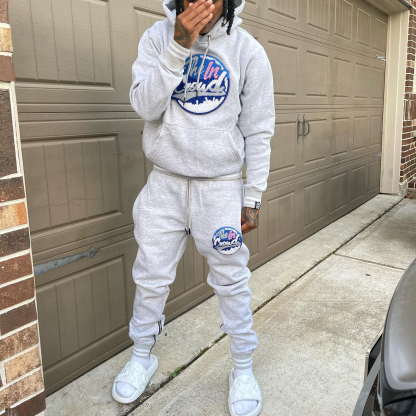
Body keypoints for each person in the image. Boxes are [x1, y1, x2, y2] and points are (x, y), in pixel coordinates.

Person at [111, 0, 275, 415]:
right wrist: (178, 46)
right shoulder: (156, 38)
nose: (202, 3)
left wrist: (252, 197)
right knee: (150, 276)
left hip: (219, 188)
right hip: (164, 183)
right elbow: (144, 106)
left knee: (232, 279)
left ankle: (242, 367)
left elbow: (258, 130)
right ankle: (142, 355)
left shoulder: (248, 50)